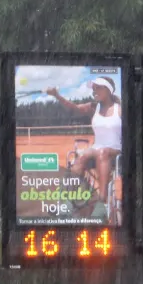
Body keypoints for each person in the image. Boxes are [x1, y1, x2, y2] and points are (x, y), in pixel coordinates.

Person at [44, 77, 122, 221]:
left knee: (102, 152)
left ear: (108, 90)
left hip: (115, 150)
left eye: (97, 88)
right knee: (82, 156)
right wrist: (56, 95)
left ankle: (102, 203)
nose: (94, 91)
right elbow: (73, 107)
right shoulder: (94, 107)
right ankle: (66, 202)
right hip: (97, 150)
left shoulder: (120, 110)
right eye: (93, 88)